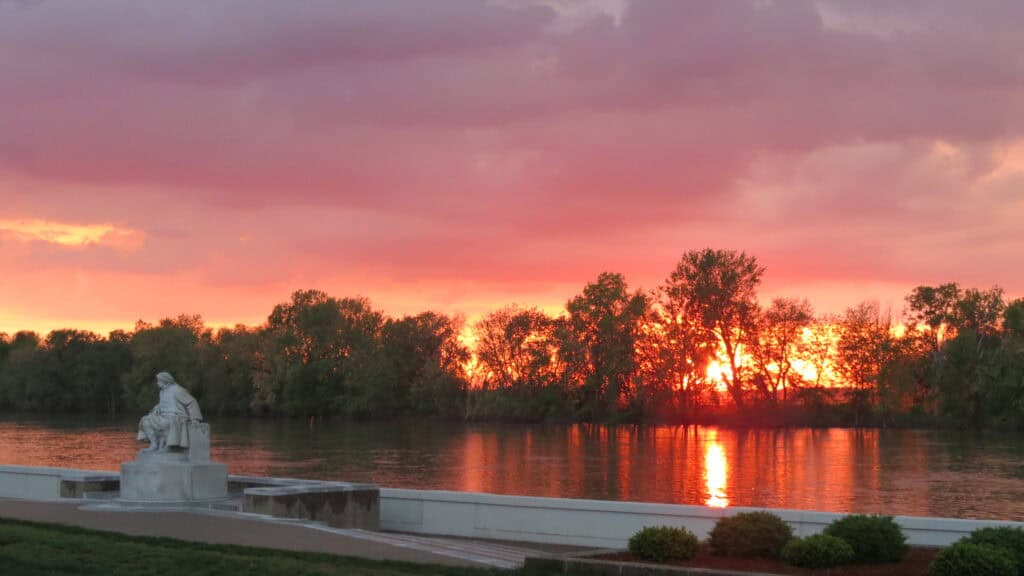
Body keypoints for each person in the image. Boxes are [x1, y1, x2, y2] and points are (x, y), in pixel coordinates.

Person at [136, 372, 203, 452]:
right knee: (145, 421)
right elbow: (163, 404)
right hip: (164, 416)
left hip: (177, 416)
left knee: (167, 423)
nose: (157, 383)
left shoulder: (177, 390)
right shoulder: (162, 392)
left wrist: (195, 418)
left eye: (159, 381)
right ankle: (154, 444)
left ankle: (168, 446)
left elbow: (192, 402)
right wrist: (156, 409)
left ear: (165, 381)